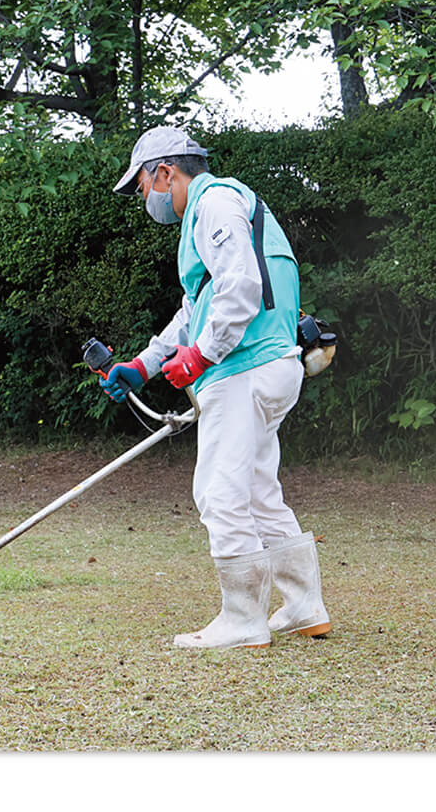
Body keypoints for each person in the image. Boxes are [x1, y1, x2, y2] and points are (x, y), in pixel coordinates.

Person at [103, 125, 330, 649]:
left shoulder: (215, 204)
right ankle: (302, 606)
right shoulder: (218, 212)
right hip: (270, 364)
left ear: (165, 172)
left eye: (142, 186)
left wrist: (204, 354)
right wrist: (144, 365)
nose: (146, 199)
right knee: (256, 491)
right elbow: (196, 307)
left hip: (244, 369)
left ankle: (243, 619)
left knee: (219, 491)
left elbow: (242, 287)